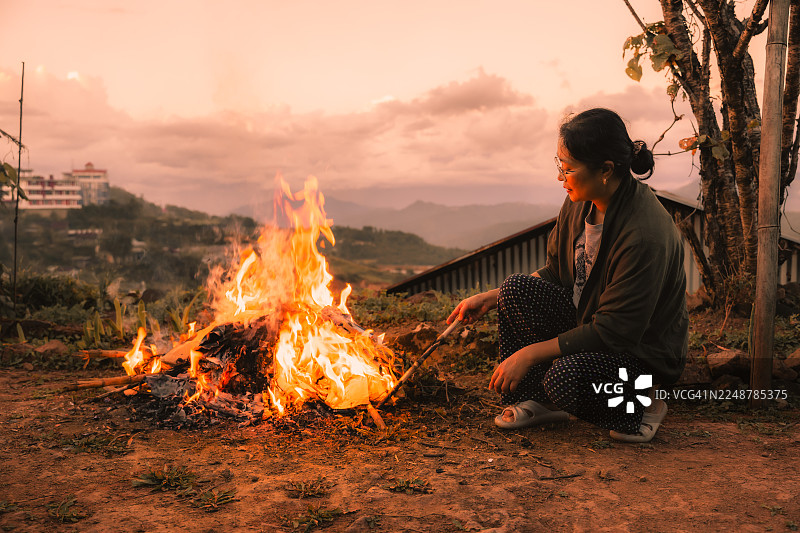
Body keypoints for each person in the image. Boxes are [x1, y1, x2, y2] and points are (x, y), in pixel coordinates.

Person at [447, 108, 688, 443]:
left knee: (564, 379)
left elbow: (614, 332)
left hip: (636, 354)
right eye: (559, 164)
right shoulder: (580, 201)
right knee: (515, 288)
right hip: (591, 324)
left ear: (605, 169)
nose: (560, 177)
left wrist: (528, 354)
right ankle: (542, 401)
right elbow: (557, 272)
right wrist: (491, 297)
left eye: (568, 168)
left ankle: (644, 403)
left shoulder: (643, 234)